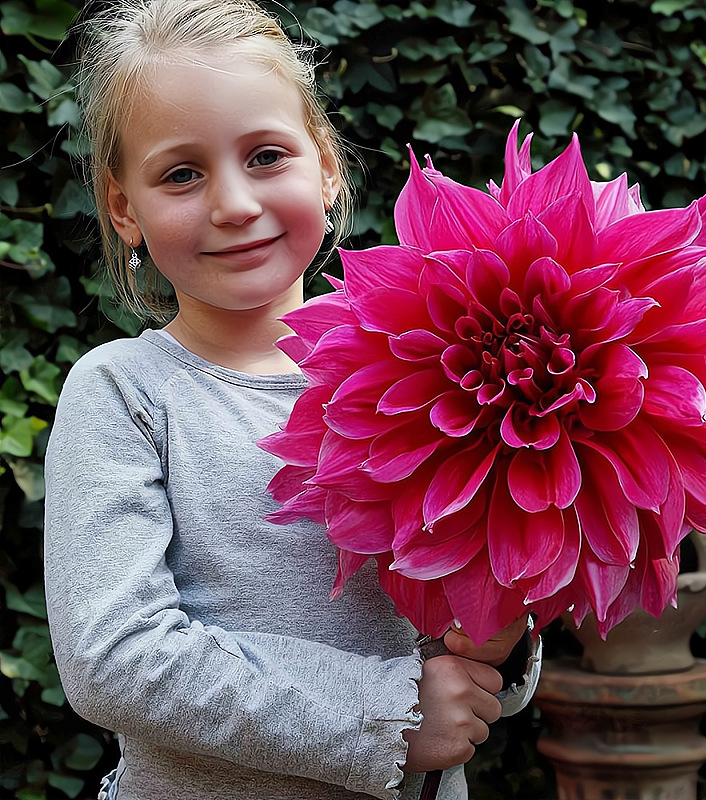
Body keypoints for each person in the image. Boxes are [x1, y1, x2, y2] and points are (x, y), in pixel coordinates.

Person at [43, 1, 541, 798]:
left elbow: (473, 648)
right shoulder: (125, 394)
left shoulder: (430, 377)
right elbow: (115, 657)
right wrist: (389, 718)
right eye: (181, 173)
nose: (234, 204)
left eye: (267, 155)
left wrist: (499, 640)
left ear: (327, 165)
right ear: (123, 209)